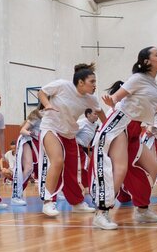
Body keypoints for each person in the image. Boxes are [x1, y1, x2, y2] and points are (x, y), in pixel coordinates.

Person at [90, 46, 157, 230]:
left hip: (134, 127)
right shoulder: (138, 78)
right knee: (120, 168)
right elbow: (117, 97)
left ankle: (142, 209)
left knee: (153, 166)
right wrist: (111, 101)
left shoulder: (151, 81)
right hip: (120, 123)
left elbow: (141, 101)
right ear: (146, 61)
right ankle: (101, 213)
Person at [37, 63, 108, 218]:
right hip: (51, 128)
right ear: (81, 82)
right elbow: (41, 92)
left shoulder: (90, 99)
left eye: (95, 82)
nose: (95, 85)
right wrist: (47, 104)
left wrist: (109, 128)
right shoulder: (62, 85)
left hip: (69, 134)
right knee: (57, 161)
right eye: (92, 82)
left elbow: (101, 113)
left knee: (72, 170)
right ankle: (48, 202)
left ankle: (77, 203)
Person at [11, 107, 43, 206]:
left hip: (38, 142)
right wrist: (30, 133)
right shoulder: (38, 114)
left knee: (45, 168)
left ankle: (51, 193)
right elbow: (22, 130)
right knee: (28, 168)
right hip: (27, 139)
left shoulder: (54, 115)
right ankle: (16, 195)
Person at [75, 108, 99, 190]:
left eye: (98, 114)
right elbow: (71, 133)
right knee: (86, 165)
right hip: (76, 146)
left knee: (88, 165)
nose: (97, 116)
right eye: (95, 114)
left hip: (83, 147)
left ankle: (85, 186)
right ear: (88, 115)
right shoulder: (82, 123)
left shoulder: (95, 125)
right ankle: (84, 186)